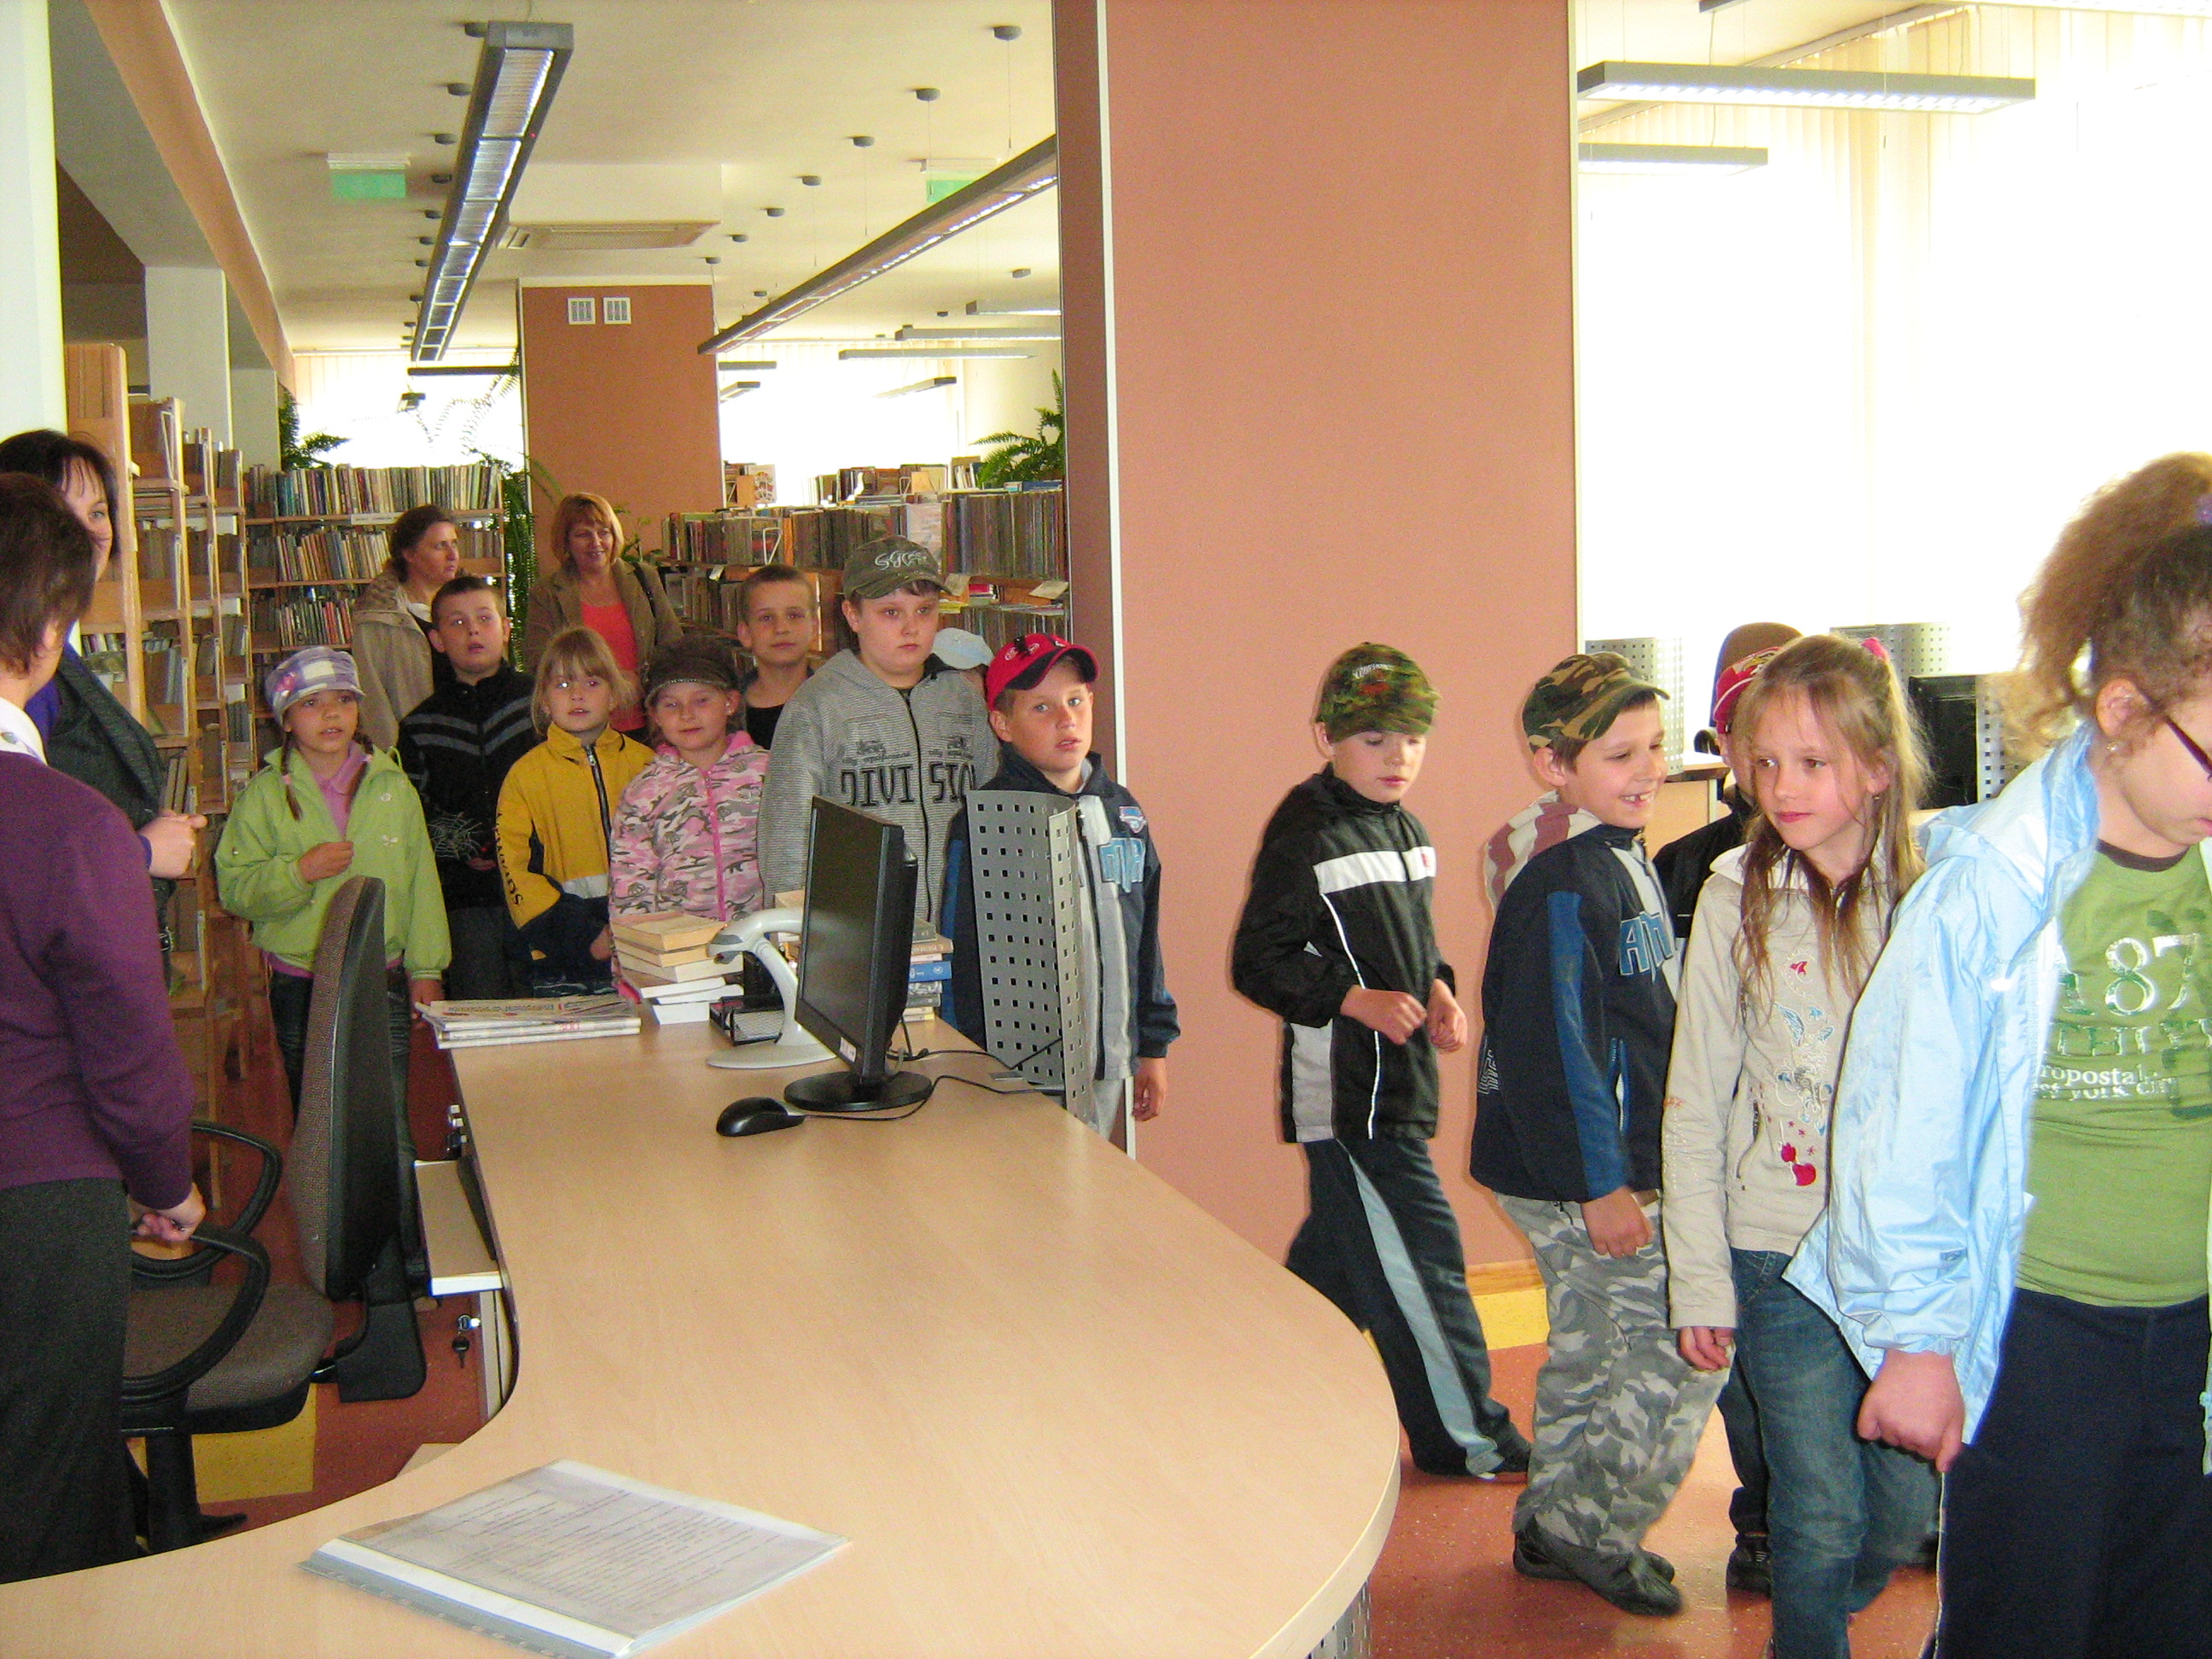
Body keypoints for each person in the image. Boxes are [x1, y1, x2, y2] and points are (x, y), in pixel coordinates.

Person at [1793, 456, 2212, 1659]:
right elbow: (1899, 1131)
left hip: (2191, 1333)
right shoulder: (1990, 889)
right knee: (2025, 1621)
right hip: (2037, 1336)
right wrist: (1918, 1342)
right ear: (2122, 712)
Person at [1662, 635, 1938, 1658]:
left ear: (1878, 766)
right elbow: (1695, 1099)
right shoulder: (1732, 893)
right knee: (1816, 1512)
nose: (1781, 787)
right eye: (1766, 761)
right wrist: (1701, 1280)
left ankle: (1830, 1604)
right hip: (1774, 1247)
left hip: (1901, 1258)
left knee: (1901, 1514)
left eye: (1813, 763)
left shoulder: (1935, 892)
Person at [1230, 644, 1531, 1486]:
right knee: (1422, 1253)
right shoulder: (1307, 832)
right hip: (1350, 1099)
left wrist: (1440, 990)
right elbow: (1259, 960)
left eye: (1411, 739)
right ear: (1327, 737)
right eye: (1373, 740)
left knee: (1338, 1261)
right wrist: (1352, 1000)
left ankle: (1253, 1394)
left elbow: (1412, 944)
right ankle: (1467, 1436)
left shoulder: (1406, 830)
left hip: (1402, 1083)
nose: (1397, 756)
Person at [1471, 652, 1723, 1618]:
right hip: (1580, 1170)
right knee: (1678, 1342)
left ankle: (1556, 1525)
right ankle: (1597, 1530)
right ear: (1554, 765)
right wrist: (1601, 1186)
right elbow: (1552, 1051)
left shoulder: (1623, 856)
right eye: (1619, 754)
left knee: (1591, 1341)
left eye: (1655, 746)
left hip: (1594, 1160)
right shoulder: (1563, 886)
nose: (1647, 769)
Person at [0, 473, 201, 1582]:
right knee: (46, 1486)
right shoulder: (67, 825)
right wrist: (166, 1183)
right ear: (46, 636)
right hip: (37, 1201)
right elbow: (128, 1046)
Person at [1651, 620, 1802, 1598]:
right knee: (1747, 1370)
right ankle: (1767, 1515)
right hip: (1734, 1168)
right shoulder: (1691, 872)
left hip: (1829, 1172)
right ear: (1724, 746)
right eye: (1754, 739)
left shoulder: (1875, 869)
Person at [941, 633, 1178, 1134]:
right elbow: (962, 950)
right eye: (1042, 708)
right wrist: (970, 1058)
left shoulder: (1123, 812)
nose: (1067, 720)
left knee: (1091, 1177)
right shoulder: (985, 823)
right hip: (1020, 1072)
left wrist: (1152, 1046)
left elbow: (1145, 933)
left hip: (1109, 1059)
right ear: (1003, 725)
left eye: (1075, 701)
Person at [214, 646, 450, 1113]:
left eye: (343, 699)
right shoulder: (262, 797)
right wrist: (298, 873)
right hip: (302, 981)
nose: (330, 713)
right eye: (310, 703)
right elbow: (236, 890)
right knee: (318, 1113)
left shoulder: (392, 787)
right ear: (285, 720)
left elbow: (421, 880)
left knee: (386, 1111)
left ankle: (388, 1167)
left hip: (380, 975)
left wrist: (426, 969)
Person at [0, 429, 205, 902]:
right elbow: (23, 843)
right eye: (63, 515)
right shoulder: (24, 672)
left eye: (97, 513)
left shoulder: (58, 646)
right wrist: (141, 851)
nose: (90, 536)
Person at [756, 537, 996, 923]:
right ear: (853, 616)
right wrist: (795, 934)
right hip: (860, 930)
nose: (911, 628)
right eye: (891, 612)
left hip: (961, 925)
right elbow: (787, 838)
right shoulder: (816, 706)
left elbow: (993, 808)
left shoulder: (963, 700)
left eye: (924, 610)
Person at [396, 575, 535, 999]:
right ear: (437, 640)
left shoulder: (539, 704)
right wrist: (460, 845)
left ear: (506, 629)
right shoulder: (421, 725)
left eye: (484, 618)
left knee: (548, 1008)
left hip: (543, 887)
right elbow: (413, 810)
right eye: (457, 623)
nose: (473, 631)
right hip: (465, 900)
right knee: (481, 1010)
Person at [497, 625, 654, 993]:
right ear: (544, 701)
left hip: (643, 946)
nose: (577, 694)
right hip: (560, 955)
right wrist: (583, 937)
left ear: (614, 695)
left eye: (592, 682)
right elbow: (517, 872)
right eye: (563, 684)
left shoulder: (647, 766)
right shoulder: (525, 777)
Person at [1653, 621, 1803, 942]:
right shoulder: (1680, 867)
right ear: (1723, 744)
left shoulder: (1866, 862)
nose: (1768, 744)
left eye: (1789, 726)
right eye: (1750, 727)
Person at [609, 636, 771, 925]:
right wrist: (637, 952)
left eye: (701, 700)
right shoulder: (643, 793)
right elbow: (630, 889)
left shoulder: (768, 774)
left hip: (764, 940)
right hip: (681, 947)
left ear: (730, 702)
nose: (687, 714)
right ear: (655, 715)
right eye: (671, 705)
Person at [518, 492, 684, 735]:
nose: (595, 542)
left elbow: (674, 646)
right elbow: (538, 662)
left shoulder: (643, 578)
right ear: (566, 541)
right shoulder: (547, 593)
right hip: (581, 727)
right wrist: (603, 683)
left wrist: (642, 681)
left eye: (603, 532)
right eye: (583, 534)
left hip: (648, 723)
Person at [352, 504, 463, 750]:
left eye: (454, 544)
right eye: (440, 546)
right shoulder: (378, 617)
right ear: (409, 554)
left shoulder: (473, 607)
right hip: (413, 749)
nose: (452, 555)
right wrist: (397, 757)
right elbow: (373, 701)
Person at [733, 562, 815, 749]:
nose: (781, 628)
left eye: (794, 616)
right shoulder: (724, 714)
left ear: (814, 627)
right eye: (766, 618)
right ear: (745, 633)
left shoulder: (837, 704)